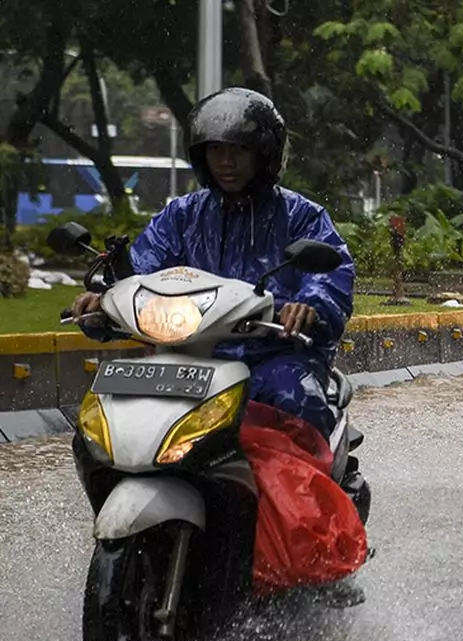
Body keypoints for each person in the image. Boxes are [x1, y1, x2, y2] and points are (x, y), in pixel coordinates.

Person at [71, 87, 355, 440]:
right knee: (111, 419)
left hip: (274, 355)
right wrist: (103, 302)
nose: (226, 161)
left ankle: (304, 491)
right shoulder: (181, 216)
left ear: (264, 154)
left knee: (295, 398)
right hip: (189, 356)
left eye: (238, 149)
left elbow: (331, 275)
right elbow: (140, 273)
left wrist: (310, 306)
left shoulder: (302, 216)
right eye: (216, 149)